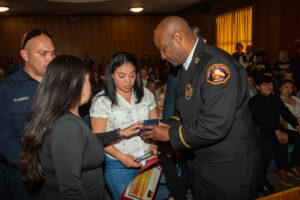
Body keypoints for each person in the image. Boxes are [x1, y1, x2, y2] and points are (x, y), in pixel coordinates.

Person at [142, 16, 260, 200]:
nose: (162, 56)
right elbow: (185, 111)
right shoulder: (185, 68)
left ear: (178, 38)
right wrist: (167, 126)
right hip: (203, 157)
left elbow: (215, 124)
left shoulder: (216, 66)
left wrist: (170, 135)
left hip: (229, 164)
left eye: (163, 49)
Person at [19, 55, 143, 200]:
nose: (90, 85)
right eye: (87, 80)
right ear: (76, 84)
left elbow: (84, 142)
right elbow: (71, 189)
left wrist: (118, 133)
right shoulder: (67, 126)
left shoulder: (66, 119)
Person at [89, 52, 158, 200]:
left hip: (147, 160)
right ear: (112, 74)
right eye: (122, 76)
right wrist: (122, 157)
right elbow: (98, 138)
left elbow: (154, 124)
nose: (128, 81)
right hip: (119, 166)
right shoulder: (102, 100)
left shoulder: (145, 94)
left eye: (132, 75)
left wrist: (154, 145)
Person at [0, 29, 55, 200]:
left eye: (53, 53)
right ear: (25, 55)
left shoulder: (59, 84)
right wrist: (34, 166)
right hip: (27, 177)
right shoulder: (8, 89)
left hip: (61, 172)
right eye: (43, 53)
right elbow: (4, 138)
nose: (50, 59)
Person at [249, 75, 300, 187]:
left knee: (296, 137)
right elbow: (260, 120)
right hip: (264, 133)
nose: (268, 86)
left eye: (270, 84)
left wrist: (296, 125)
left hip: (278, 130)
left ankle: (293, 165)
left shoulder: (275, 99)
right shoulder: (254, 101)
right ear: (257, 87)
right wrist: (276, 130)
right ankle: (280, 170)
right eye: (265, 85)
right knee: (277, 142)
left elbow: (286, 113)